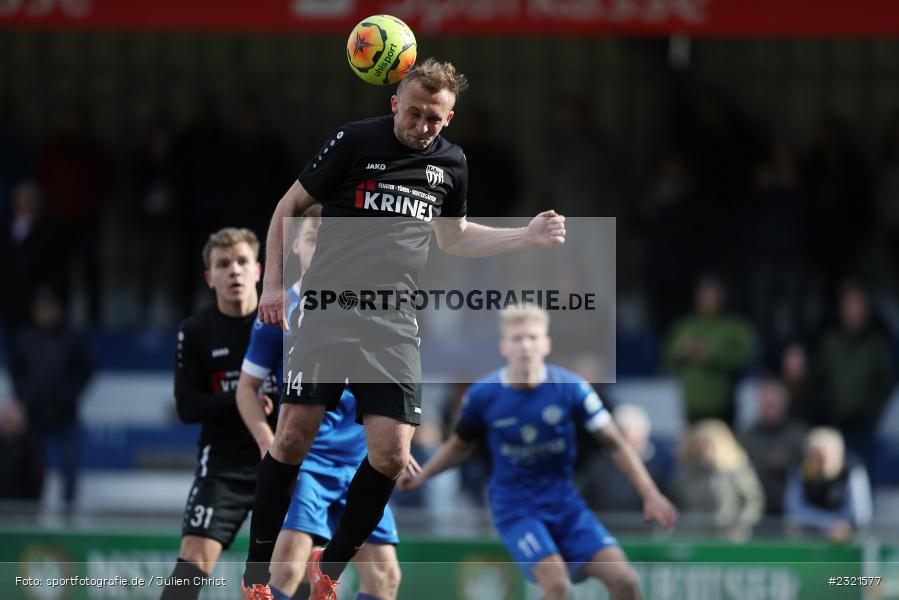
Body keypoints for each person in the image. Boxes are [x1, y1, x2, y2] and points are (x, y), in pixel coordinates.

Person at [242, 58, 567, 600]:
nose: (421, 126)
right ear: (394, 103)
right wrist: (273, 286)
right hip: (326, 310)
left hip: (392, 322)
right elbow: (289, 206)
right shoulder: (353, 140)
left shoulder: (452, 164)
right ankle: (256, 572)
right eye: (413, 113)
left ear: (449, 117)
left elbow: (455, 237)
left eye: (433, 119)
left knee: (391, 455)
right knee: (294, 435)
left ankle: (332, 567)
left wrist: (525, 237)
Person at [399, 305, 677, 600]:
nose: (526, 346)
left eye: (533, 337)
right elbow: (459, 446)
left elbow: (615, 443)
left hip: (566, 506)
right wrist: (424, 475)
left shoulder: (572, 388)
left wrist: (650, 494)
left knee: (625, 581)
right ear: (504, 347)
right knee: (556, 583)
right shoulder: (483, 395)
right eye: (517, 339)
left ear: (546, 344)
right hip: (516, 509)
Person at [236, 209, 403, 600]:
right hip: (308, 462)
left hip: (361, 462)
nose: (324, 248)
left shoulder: (370, 308)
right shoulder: (278, 313)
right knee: (287, 569)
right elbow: (247, 388)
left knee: (386, 580)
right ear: (296, 245)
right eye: (314, 239)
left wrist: (396, 441)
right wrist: (266, 442)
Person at [160, 228, 278, 600]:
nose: (234, 271)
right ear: (210, 278)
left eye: (242, 262)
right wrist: (243, 397)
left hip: (281, 461)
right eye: (223, 265)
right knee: (191, 564)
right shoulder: (194, 331)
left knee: (287, 573)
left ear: (258, 270)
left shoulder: (282, 323)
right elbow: (187, 407)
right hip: (223, 466)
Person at [9, 286, 94, 513]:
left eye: (50, 308)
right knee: (32, 466)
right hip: (35, 413)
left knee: (69, 465)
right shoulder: (25, 338)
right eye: (41, 309)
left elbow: (87, 369)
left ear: (58, 310)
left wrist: (71, 393)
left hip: (64, 412)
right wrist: (24, 394)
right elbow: (15, 369)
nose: (46, 313)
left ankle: (69, 511)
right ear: (34, 312)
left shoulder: (70, 337)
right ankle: (29, 510)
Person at [664, 274, 756, 425]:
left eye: (712, 295)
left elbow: (745, 356)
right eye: (703, 296)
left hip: (723, 404)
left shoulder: (734, 326)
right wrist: (682, 351)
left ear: (722, 297)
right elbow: (668, 354)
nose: (707, 300)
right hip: (691, 405)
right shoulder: (685, 325)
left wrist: (712, 355)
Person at [673, 419, 765, 539]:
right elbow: (677, 503)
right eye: (699, 445)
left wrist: (741, 526)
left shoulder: (736, 469)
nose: (704, 451)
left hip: (728, 536)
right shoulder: (686, 472)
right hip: (694, 536)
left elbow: (753, 501)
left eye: (708, 445)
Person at [784, 427, 872, 542]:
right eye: (813, 455)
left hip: (847, 541)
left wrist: (841, 525)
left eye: (823, 456)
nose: (818, 462)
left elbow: (861, 514)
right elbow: (794, 510)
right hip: (808, 538)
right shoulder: (800, 470)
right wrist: (828, 523)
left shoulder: (854, 470)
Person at [739, 377, 806, 515]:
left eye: (773, 403)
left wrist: (787, 464)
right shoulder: (746, 436)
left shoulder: (799, 434)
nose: (769, 406)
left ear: (785, 402)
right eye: (765, 402)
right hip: (755, 510)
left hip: (791, 511)